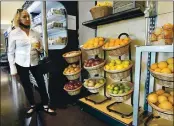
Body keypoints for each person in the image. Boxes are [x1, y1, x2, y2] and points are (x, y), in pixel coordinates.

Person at [8, 9, 56, 117]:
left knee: (41, 83)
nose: (27, 19)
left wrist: (39, 48)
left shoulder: (36, 33)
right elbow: (10, 52)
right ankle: (32, 105)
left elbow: (41, 48)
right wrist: (13, 68)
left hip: (35, 61)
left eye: (28, 16)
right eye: (24, 17)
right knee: (27, 85)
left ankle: (45, 105)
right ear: (18, 19)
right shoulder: (14, 33)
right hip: (20, 62)